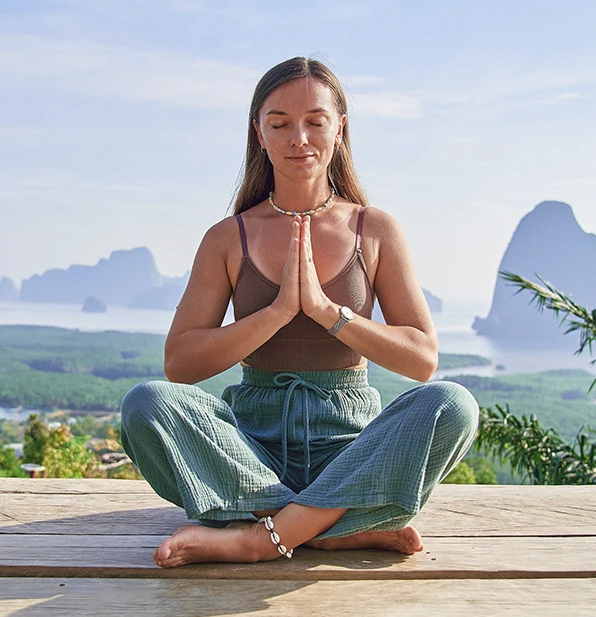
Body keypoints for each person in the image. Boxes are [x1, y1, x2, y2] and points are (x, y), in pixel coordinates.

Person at [120, 57, 479, 568]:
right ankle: (331, 527)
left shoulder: (374, 230)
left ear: (340, 129)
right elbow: (179, 364)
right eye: (280, 124)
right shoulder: (228, 237)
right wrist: (279, 311)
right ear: (259, 133)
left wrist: (327, 311)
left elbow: (422, 361)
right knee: (145, 405)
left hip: (351, 451)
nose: (299, 139)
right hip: (252, 448)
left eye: (315, 121)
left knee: (452, 404)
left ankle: (260, 535)